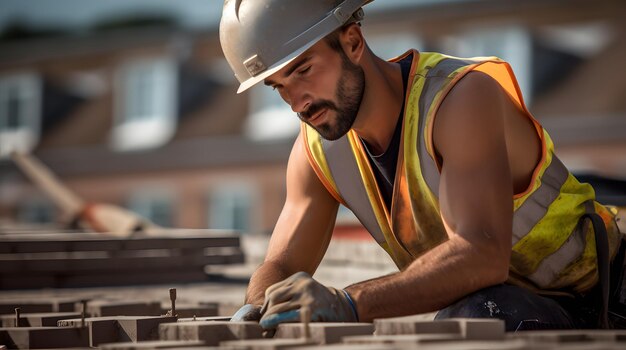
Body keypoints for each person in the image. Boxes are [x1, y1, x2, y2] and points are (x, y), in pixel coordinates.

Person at [219, 0, 626, 331]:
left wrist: (348, 303)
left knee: (471, 320)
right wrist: (261, 304)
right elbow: (283, 265)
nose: (298, 103)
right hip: (514, 304)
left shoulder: (458, 99)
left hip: (606, 294)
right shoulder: (316, 150)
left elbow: (481, 255)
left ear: (353, 42)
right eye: (279, 88)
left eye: (303, 70)